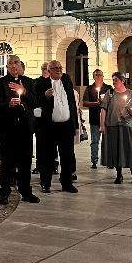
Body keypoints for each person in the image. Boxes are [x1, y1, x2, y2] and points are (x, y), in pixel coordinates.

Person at [0, 55, 40, 204]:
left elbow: (36, 102)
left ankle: (25, 191)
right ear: (7, 67)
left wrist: (23, 91)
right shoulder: (0, 83)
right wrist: (8, 105)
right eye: (10, 63)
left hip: (25, 128)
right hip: (8, 128)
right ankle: (5, 191)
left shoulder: (28, 82)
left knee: (25, 161)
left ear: (20, 65)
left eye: (16, 63)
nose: (13, 66)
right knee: (7, 162)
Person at [34, 60, 79, 193]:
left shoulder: (66, 80)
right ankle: (45, 183)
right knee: (46, 156)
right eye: (55, 68)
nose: (59, 70)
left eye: (60, 68)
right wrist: (45, 96)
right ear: (48, 71)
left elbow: (72, 103)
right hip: (49, 127)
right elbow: (35, 101)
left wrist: (75, 124)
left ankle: (66, 182)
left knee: (67, 156)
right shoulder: (41, 83)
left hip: (66, 126)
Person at [100, 72, 132, 185]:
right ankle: (119, 174)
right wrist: (102, 125)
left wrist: (130, 111)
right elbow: (103, 109)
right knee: (116, 151)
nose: (114, 82)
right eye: (113, 80)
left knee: (130, 150)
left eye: (116, 80)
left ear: (122, 81)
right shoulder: (110, 93)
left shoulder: (131, 93)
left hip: (127, 125)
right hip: (113, 125)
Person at [82, 69, 113, 169]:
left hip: (108, 119)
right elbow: (85, 103)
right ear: (93, 77)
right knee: (95, 140)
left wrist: (105, 102)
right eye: (96, 75)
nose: (99, 77)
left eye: (100, 75)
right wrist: (96, 103)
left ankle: (109, 161)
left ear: (103, 76)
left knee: (108, 141)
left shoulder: (108, 88)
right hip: (95, 118)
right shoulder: (90, 88)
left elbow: (113, 100)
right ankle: (94, 160)